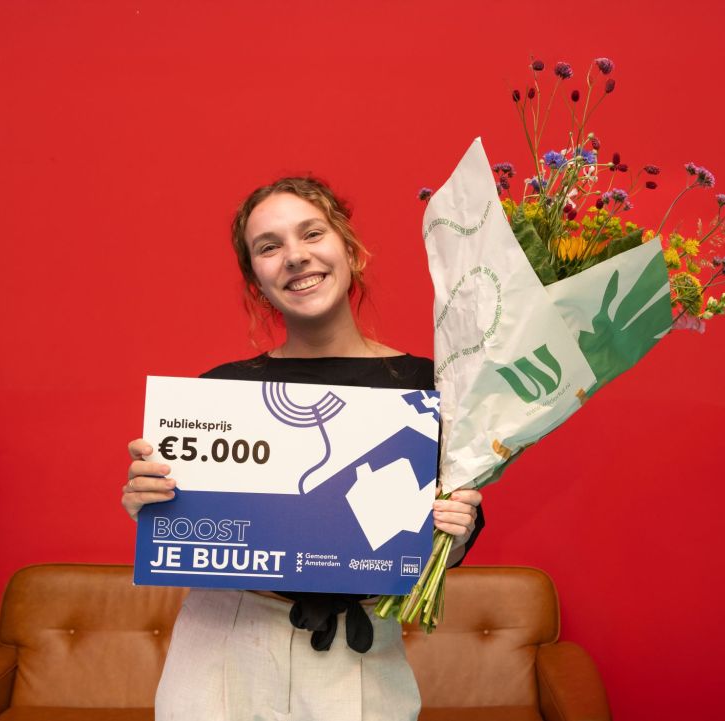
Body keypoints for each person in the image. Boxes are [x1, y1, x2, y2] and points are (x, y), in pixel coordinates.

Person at [121, 177, 484, 721]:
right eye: (269, 246)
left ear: (351, 251)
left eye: (312, 233)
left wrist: (455, 529)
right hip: (224, 639)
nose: (294, 256)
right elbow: (190, 530)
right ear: (256, 280)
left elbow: (439, 551)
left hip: (360, 649)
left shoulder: (427, 388)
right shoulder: (220, 392)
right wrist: (151, 502)